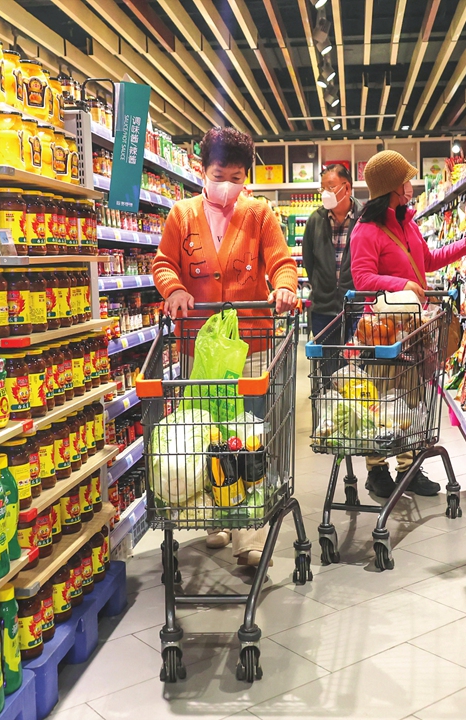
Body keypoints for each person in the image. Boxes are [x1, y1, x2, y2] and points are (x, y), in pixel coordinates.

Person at [152, 126, 299, 567]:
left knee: (246, 435)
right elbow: (162, 263)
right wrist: (174, 289)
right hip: (196, 347)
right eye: (221, 174)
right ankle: (215, 516)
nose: (229, 185)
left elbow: (281, 261)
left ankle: (247, 536)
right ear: (202, 169)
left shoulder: (259, 214)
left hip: (250, 345)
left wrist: (286, 287)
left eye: (237, 176)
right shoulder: (181, 214)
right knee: (200, 434)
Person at [349, 150, 466, 498]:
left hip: (413, 328)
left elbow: (426, 261)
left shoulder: (408, 223)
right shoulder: (366, 231)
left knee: (411, 398)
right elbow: (362, 277)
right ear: (394, 188)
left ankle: (409, 467)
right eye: (406, 180)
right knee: (383, 399)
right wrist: (402, 285)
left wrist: (464, 247)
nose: (411, 185)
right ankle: (377, 470)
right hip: (383, 330)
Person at [305, 164, 362, 342]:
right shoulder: (316, 220)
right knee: (326, 366)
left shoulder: (365, 218)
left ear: (347, 188)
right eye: (322, 188)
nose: (325, 193)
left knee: (355, 366)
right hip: (323, 309)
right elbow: (309, 261)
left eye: (330, 187)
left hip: (356, 308)